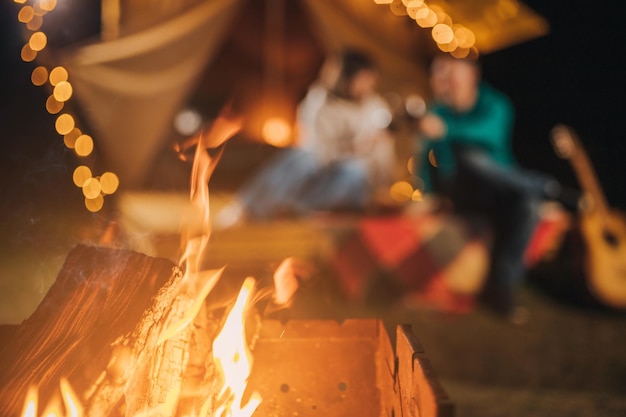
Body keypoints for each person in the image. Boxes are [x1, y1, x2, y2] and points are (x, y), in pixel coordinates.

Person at [416, 52, 562, 321]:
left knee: (526, 205)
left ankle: (501, 290)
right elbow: (424, 157)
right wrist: (425, 193)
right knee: (467, 159)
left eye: (451, 73)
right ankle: (542, 186)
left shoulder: (496, 104)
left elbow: (489, 133)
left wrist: (445, 131)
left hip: (499, 189)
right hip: (461, 191)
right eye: (439, 74)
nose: (444, 80)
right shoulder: (437, 110)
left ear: (473, 75)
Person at [216, 48, 396, 227]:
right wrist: (359, 146)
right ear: (347, 78)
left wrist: (383, 184)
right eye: (363, 79)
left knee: (357, 171)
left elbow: (382, 155)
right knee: (302, 159)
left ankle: (297, 211)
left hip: (351, 183)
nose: (368, 85)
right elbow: (319, 153)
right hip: (320, 173)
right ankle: (247, 208)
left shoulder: (374, 105)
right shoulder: (319, 103)